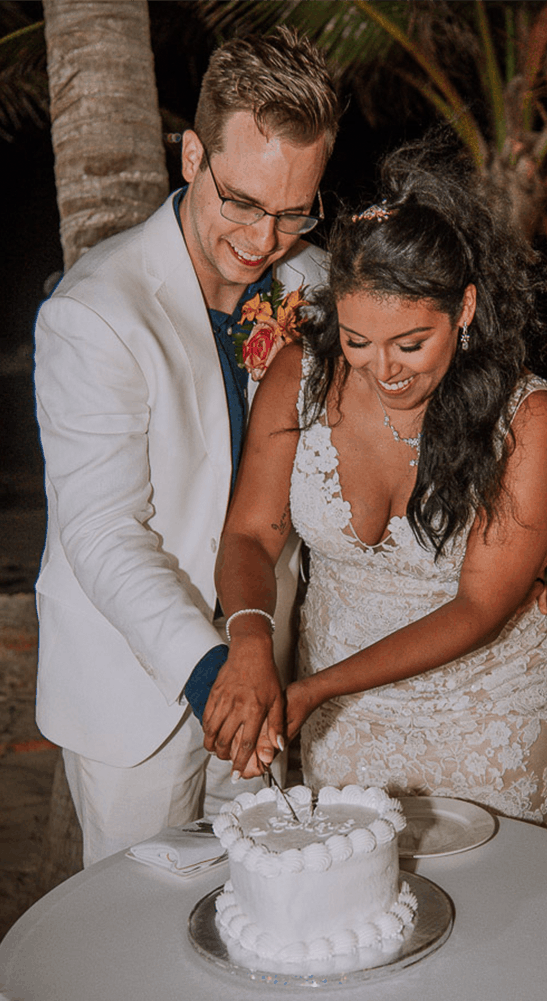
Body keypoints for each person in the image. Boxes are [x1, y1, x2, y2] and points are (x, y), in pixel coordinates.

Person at [32, 28, 338, 866]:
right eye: (240, 201)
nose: (264, 238)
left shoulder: (312, 284)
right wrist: (212, 671)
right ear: (192, 155)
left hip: (265, 669)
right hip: (137, 693)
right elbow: (100, 529)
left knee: (258, 911)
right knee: (135, 945)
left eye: (292, 211)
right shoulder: (93, 313)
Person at [211, 142, 547, 833]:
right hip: (342, 718)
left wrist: (317, 688)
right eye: (357, 341)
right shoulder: (299, 378)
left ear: (463, 309)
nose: (385, 370)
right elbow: (250, 532)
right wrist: (251, 638)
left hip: (485, 707)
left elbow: (479, 605)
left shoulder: (527, 418)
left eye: (411, 344)